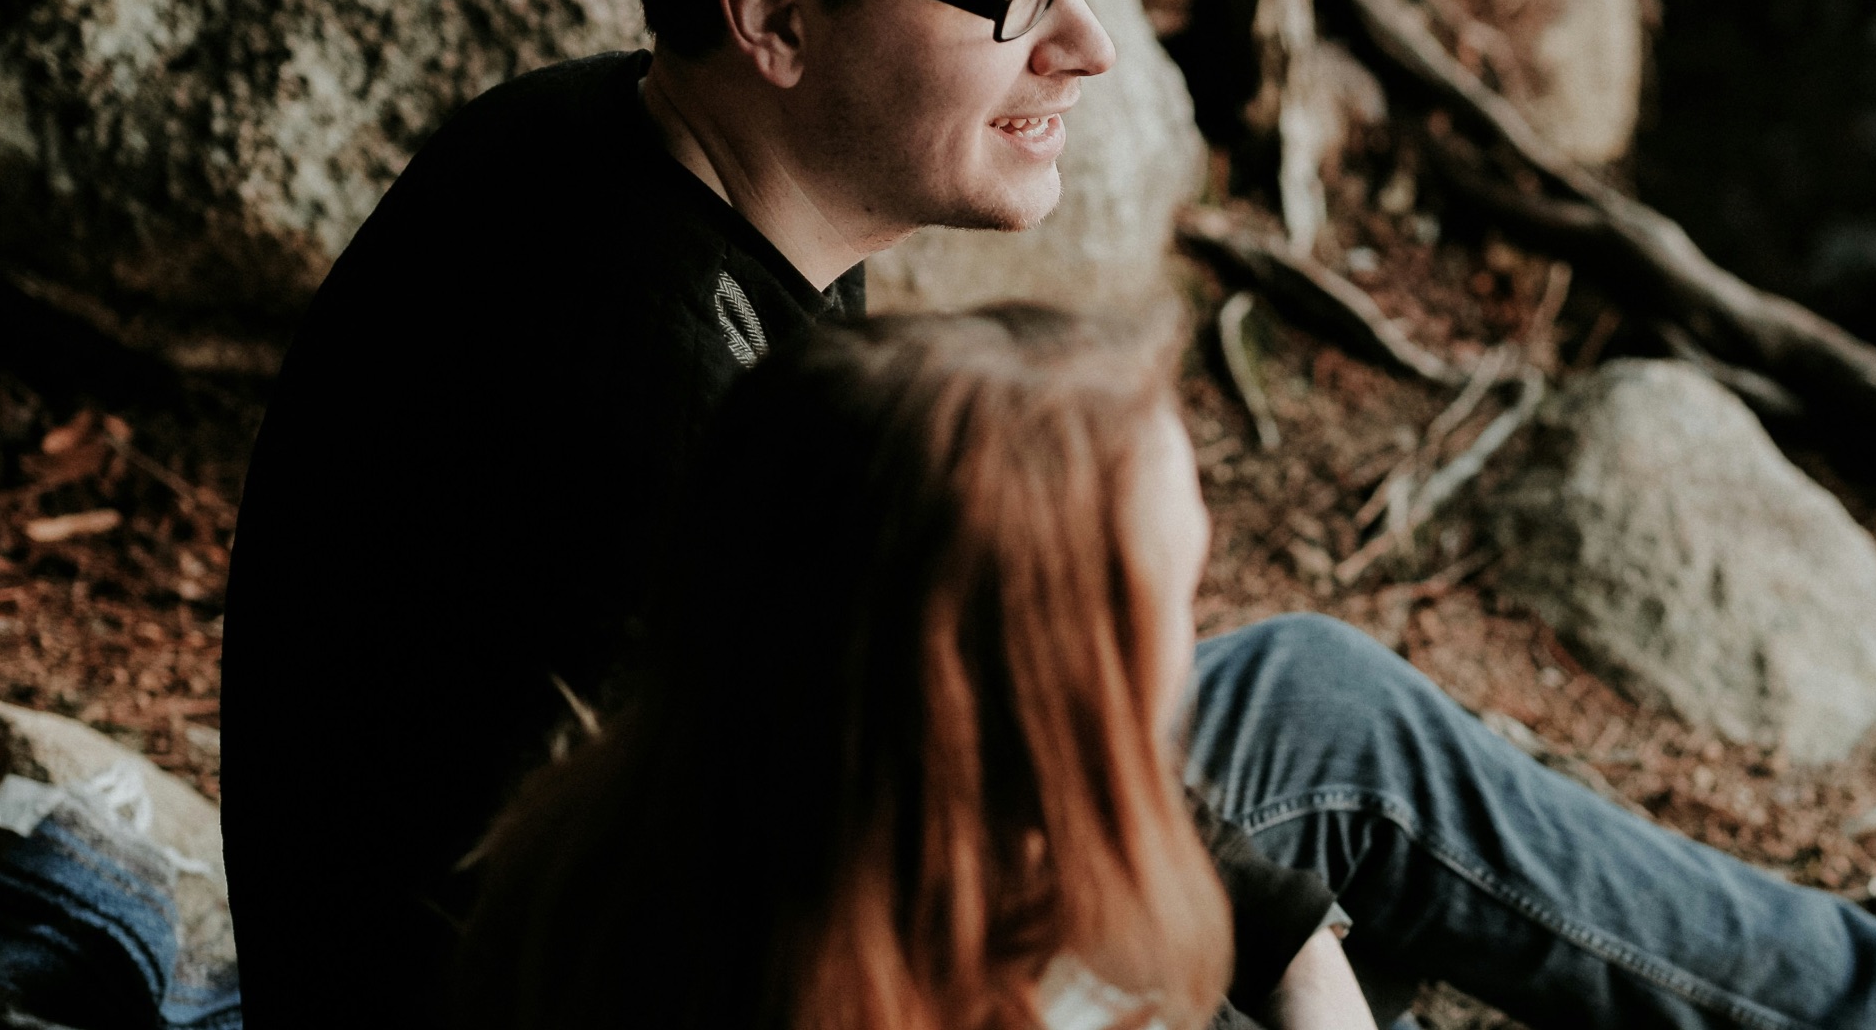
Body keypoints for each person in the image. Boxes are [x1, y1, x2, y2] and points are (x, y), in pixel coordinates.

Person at [218, 0, 1876, 1025]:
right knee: (1283, 782)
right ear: (776, 14)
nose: (1089, 45)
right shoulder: (644, 386)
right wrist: (1276, 961)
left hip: (760, 867)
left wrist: (1280, 930)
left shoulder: (643, 160)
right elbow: (874, 853)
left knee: (1304, 713)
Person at [448, 304, 1372, 1030]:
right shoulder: (1051, 987)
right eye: (1179, 596)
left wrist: (1300, 949)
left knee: (1307, 666)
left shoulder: (657, 824)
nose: (1194, 641)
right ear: (1031, 693)